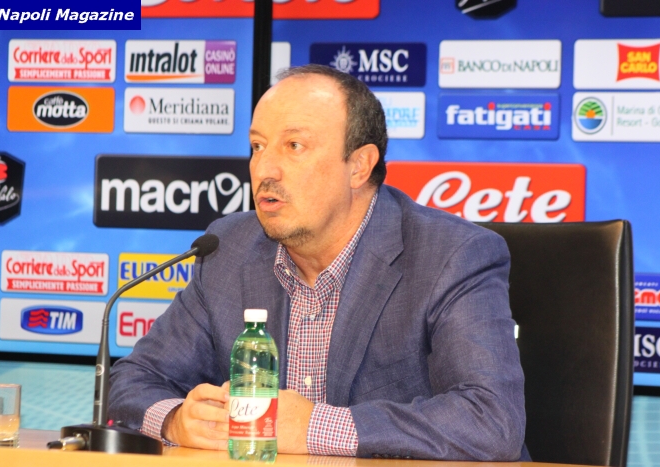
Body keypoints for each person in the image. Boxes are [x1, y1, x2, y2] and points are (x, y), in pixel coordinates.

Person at [109, 64, 528, 461]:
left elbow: (492, 419)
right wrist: (176, 420)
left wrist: (313, 427)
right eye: (257, 146)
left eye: (294, 146)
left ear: (359, 166)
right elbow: (131, 380)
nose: (265, 169)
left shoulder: (450, 255)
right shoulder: (228, 248)